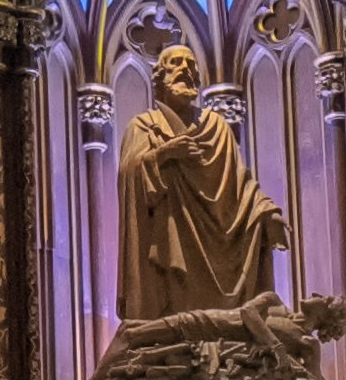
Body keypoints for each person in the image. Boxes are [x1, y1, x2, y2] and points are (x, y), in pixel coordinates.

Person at [115, 37, 297, 334]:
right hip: (173, 239)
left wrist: (266, 213)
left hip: (221, 241)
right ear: (159, 78)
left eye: (191, 65)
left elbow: (241, 184)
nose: (185, 70)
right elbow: (129, 176)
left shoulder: (217, 127)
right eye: (176, 64)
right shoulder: (144, 127)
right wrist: (164, 153)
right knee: (176, 316)